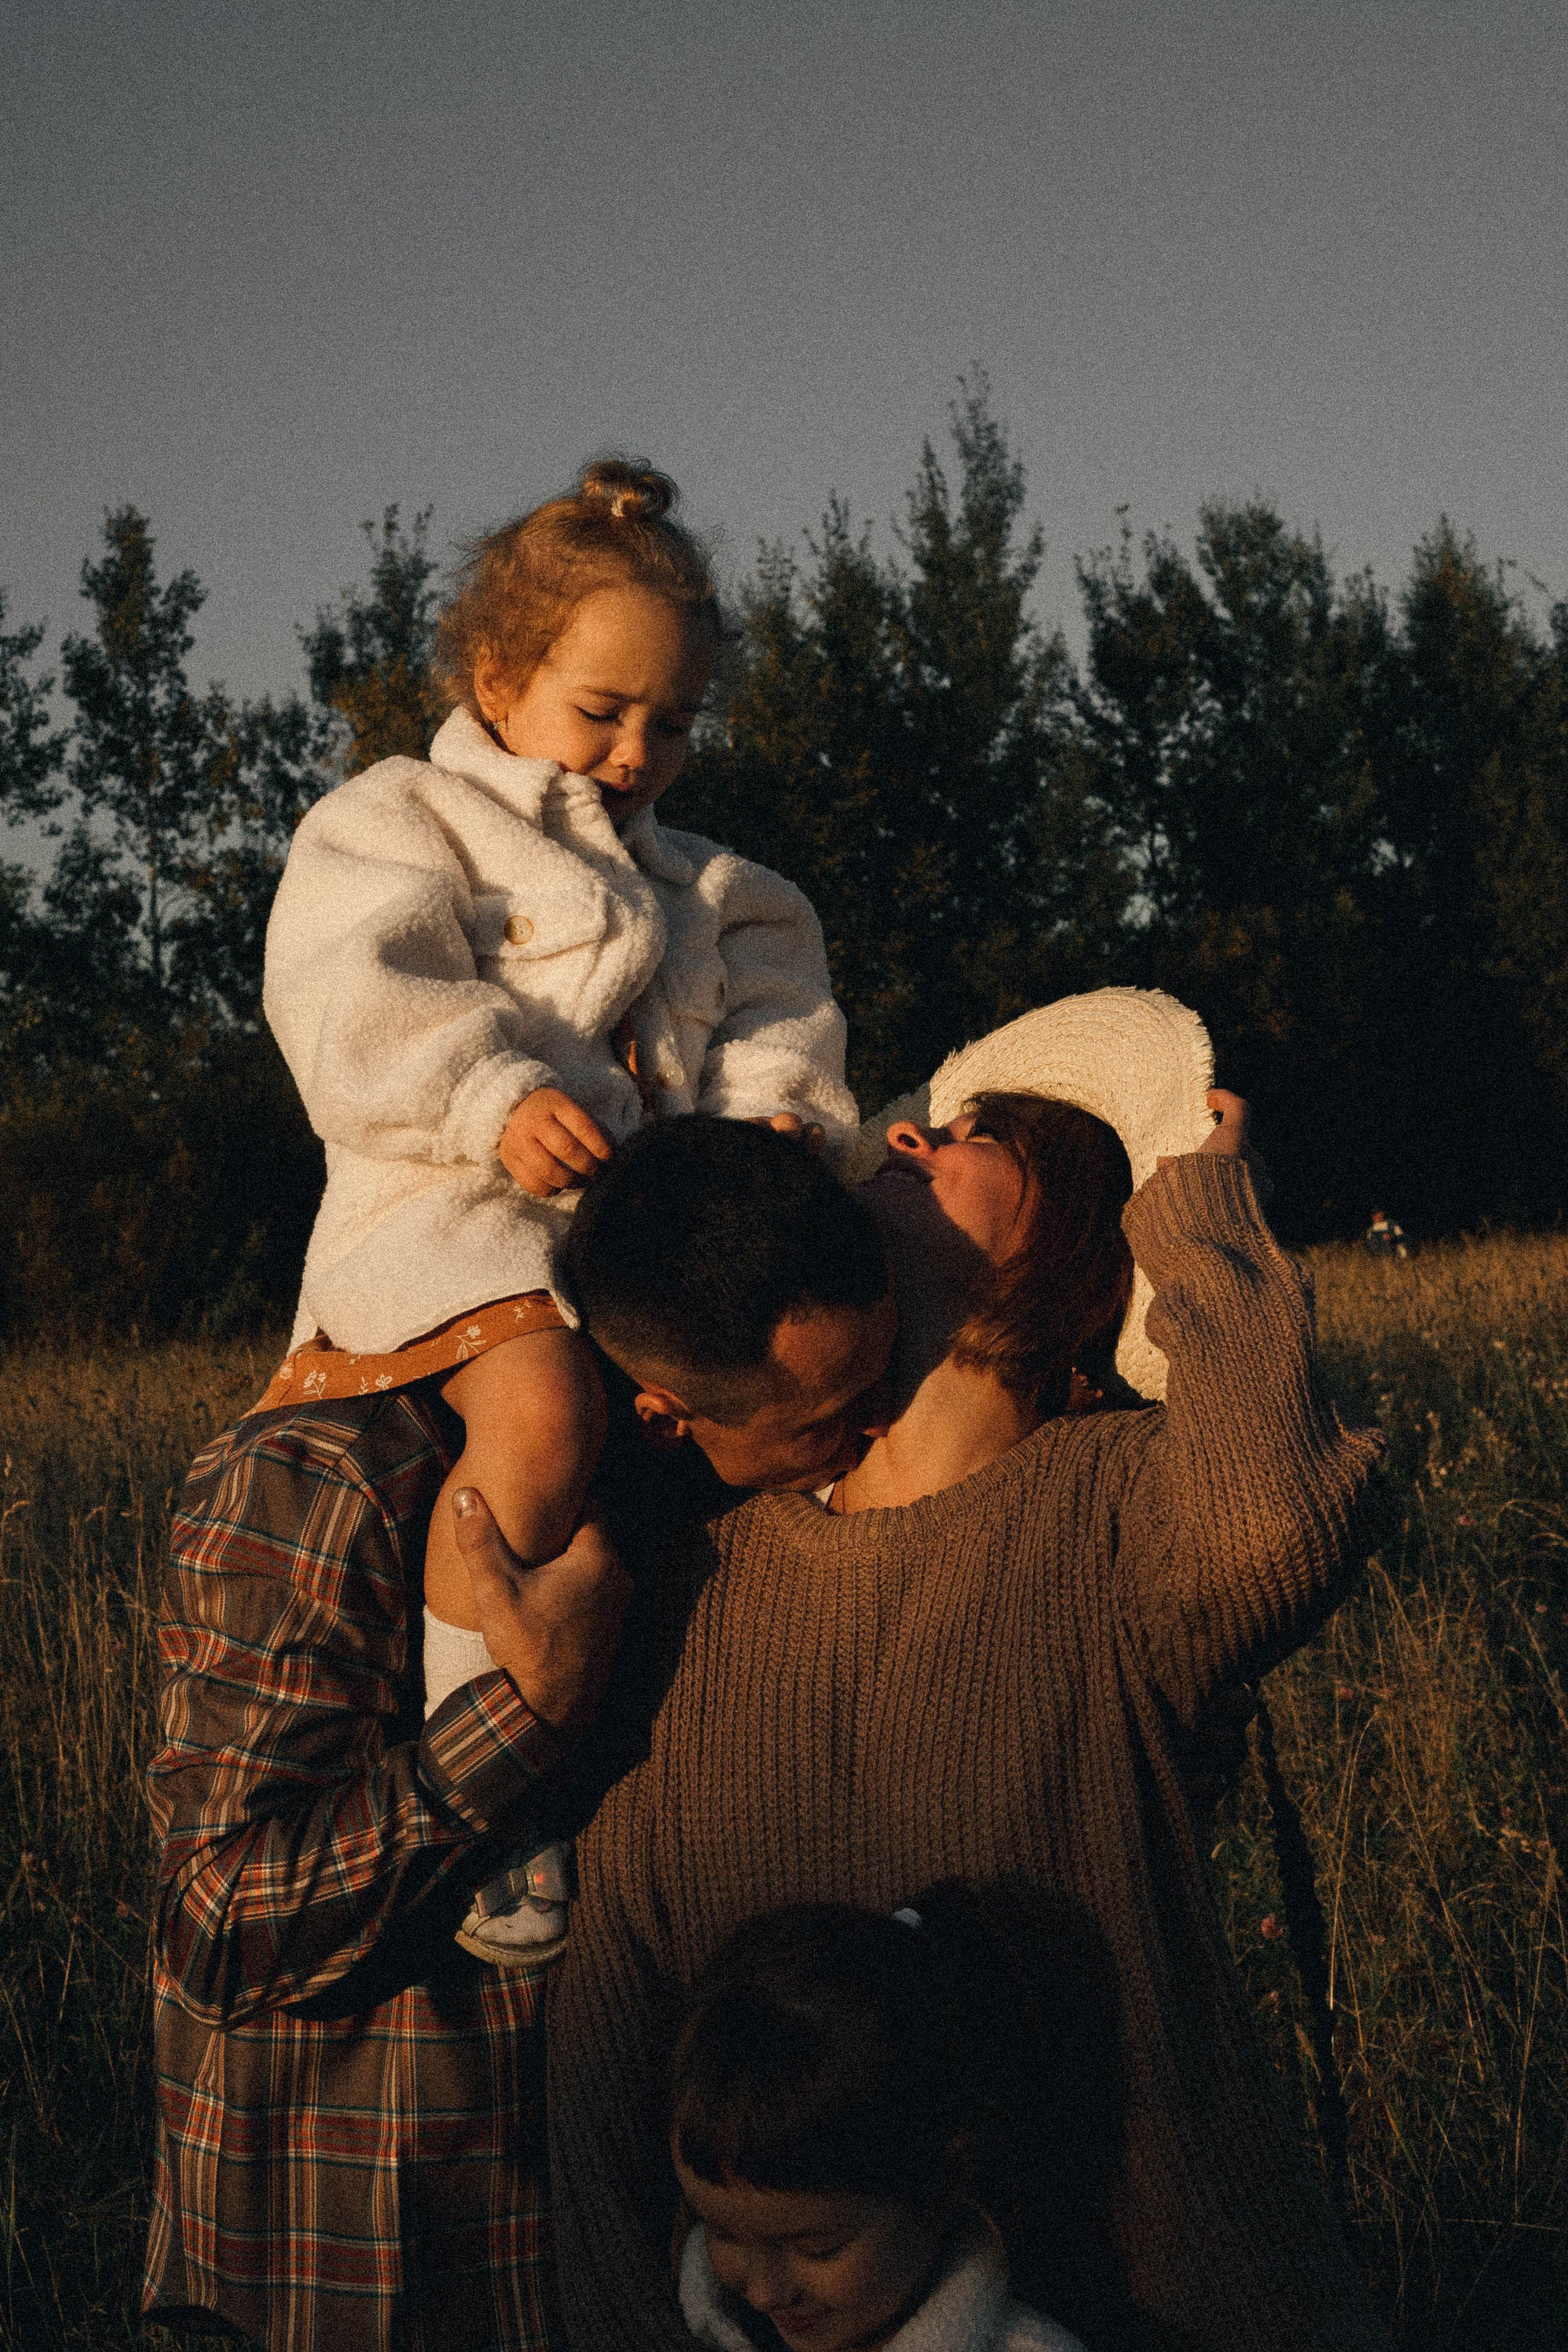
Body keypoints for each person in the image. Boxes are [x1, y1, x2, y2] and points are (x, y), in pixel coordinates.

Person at [542, 995, 1392, 2352]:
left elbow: (1272, 1522)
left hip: (1154, 2307)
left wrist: (1201, 1205)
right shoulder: (704, 1569)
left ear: (1074, 1223)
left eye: (969, 1133)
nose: (898, 1133)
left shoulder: (1119, 1512)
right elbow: (609, 2044)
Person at [141, 1125, 895, 2352]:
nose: (868, 1434)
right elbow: (218, 1934)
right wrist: (525, 1711)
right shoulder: (324, 1482)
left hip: (591, 2268)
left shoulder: (712, 1517)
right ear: (661, 1413)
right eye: (829, 1419)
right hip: (350, 2274)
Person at [260, 454, 857, 1956]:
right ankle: (499, 1783)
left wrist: (762, 1136)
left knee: (757, 1417)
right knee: (538, 1411)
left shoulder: (715, 891)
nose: (636, 748)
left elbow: (777, 1023)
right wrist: (482, 1095)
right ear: (497, 673)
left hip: (635, 1249)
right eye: (602, 710)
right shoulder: (402, 823)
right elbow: (350, 997)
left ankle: (761, 1784)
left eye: (670, 721)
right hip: (442, 1214)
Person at [668, 1891, 1091, 2352]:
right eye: (724, 2233)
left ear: (943, 2182)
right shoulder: (686, 2318)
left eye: (818, 2249)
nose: (765, 2294)